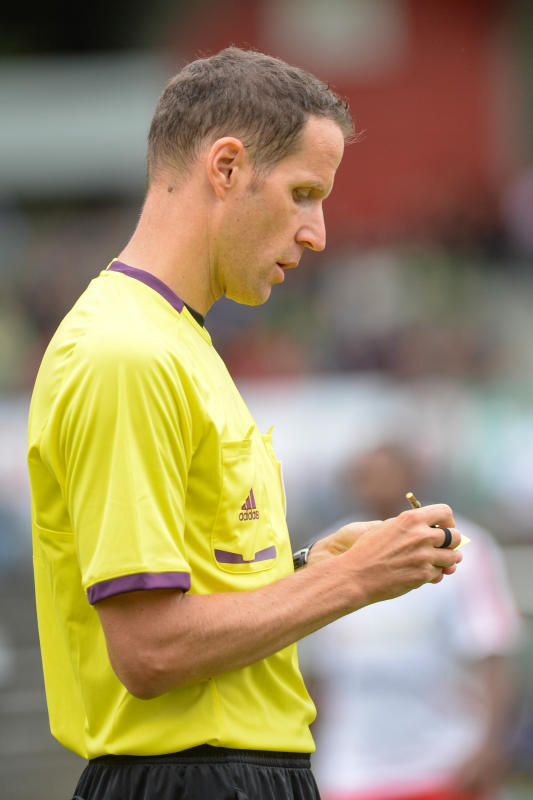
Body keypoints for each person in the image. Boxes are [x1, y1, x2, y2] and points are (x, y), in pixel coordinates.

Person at [27, 48, 464, 800]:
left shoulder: (177, 341)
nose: (316, 233)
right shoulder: (126, 353)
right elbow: (150, 651)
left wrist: (312, 570)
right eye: (303, 193)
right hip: (187, 778)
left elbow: (191, 597)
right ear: (226, 167)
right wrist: (353, 581)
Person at [300, 443, 522, 800]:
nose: (377, 485)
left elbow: (493, 653)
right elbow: (315, 671)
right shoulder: (328, 550)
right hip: (350, 770)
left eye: (388, 474)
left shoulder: (463, 545)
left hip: (444, 763)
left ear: (414, 478)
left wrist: (490, 746)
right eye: (367, 476)